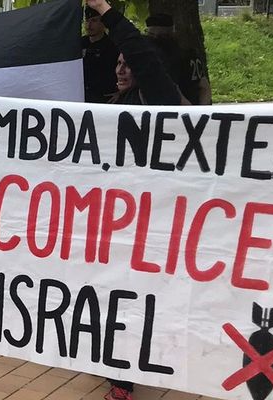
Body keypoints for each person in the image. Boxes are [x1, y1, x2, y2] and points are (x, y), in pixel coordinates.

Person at [88, 0, 183, 397]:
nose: (121, 68)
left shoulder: (162, 100)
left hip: (152, 226)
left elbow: (144, 57)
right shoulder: (117, 105)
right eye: (118, 62)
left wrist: (105, 10)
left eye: (129, 63)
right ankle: (118, 369)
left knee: (130, 300)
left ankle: (124, 380)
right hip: (117, 224)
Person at [82, 7, 118, 103]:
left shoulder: (113, 46)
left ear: (103, 23)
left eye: (94, 21)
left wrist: (120, 92)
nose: (89, 25)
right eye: (87, 21)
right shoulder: (80, 43)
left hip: (103, 98)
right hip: (82, 96)